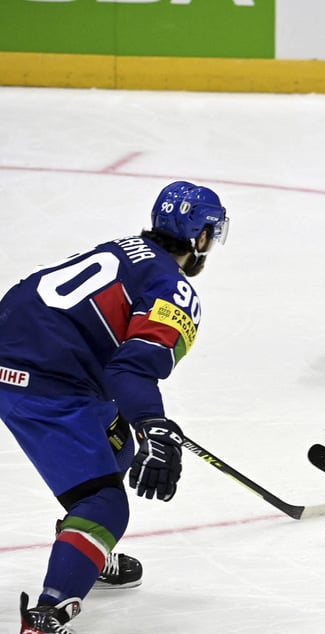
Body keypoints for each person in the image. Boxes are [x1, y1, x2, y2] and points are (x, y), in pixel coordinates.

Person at [1, 181, 230, 633]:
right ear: (199, 237)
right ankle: (48, 613)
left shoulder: (124, 249)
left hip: (16, 349)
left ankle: (81, 545)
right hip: (44, 385)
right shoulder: (173, 289)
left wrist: (139, 422)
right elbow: (131, 371)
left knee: (117, 436)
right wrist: (156, 425)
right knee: (105, 503)